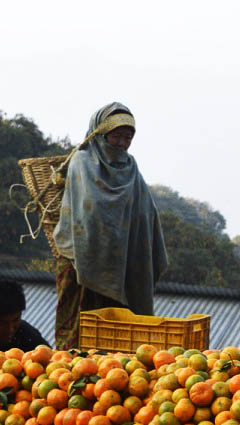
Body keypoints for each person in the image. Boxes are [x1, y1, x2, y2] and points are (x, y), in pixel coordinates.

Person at [52, 102, 168, 349]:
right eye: (116, 136)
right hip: (80, 256)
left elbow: (144, 208)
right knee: (79, 327)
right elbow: (88, 208)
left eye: (128, 137)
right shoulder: (82, 160)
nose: (122, 143)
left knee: (115, 332)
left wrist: (135, 237)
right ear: (100, 134)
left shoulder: (130, 165)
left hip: (121, 260)